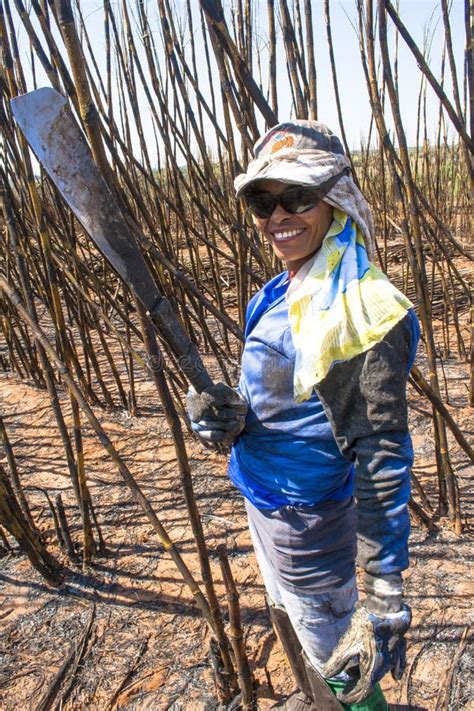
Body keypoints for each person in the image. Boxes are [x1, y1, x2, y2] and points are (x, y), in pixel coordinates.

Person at [186, 121, 420, 711]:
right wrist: (226, 414)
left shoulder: (362, 311)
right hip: (263, 499)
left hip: (307, 522)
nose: (277, 215)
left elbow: (382, 453)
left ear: (335, 199)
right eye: (262, 201)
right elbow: (275, 396)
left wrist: (385, 587)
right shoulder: (281, 288)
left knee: (341, 661)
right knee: (309, 632)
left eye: (298, 196)